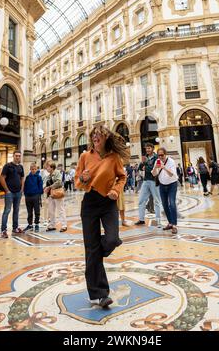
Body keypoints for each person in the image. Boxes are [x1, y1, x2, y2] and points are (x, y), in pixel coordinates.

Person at [75, 125, 127, 308]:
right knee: (92, 249)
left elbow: (122, 177)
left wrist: (115, 190)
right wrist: (83, 178)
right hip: (89, 202)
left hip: (108, 202)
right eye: (94, 135)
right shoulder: (85, 156)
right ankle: (99, 294)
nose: (96, 137)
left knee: (112, 239)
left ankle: (98, 249)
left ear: (106, 137)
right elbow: (77, 182)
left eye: (99, 135)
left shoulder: (114, 157)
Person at [152, 147, 178, 235]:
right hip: (162, 185)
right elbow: (154, 174)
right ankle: (170, 223)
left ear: (165, 154)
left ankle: (174, 225)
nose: (160, 157)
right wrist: (155, 167)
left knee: (172, 203)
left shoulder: (171, 161)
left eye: (162, 155)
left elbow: (172, 174)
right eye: (158, 155)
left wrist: (164, 167)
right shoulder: (157, 161)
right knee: (164, 205)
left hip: (172, 184)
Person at [135, 143, 162, 227]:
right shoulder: (145, 157)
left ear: (153, 148)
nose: (147, 150)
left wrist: (146, 167)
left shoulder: (157, 157)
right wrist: (143, 163)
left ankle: (158, 220)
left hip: (154, 181)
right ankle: (141, 219)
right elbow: (140, 168)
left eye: (149, 148)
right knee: (141, 200)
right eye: (146, 148)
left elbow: (156, 168)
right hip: (146, 181)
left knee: (157, 201)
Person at [0, 150, 25, 238]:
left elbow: (22, 178)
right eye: (16, 156)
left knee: (16, 210)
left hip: (18, 192)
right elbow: (2, 178)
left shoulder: (21, 167)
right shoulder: (7, 166)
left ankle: (15, 228)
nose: (17, 157)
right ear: (13, 156)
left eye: (19, 156)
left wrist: (21, 190)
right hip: (9, 193)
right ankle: (3, 230)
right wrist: (7, 190)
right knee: (7, 211)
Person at [44, 162, 67, 232]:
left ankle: (64, 225)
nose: (46, 168)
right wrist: (45, 187)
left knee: (60, 210)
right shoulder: (48, 175)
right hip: (50, 195)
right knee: (51, 211)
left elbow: (59, 182)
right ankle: (52, 225)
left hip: (57, 193)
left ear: (51, 167)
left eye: (47, 167)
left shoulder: (57, 173)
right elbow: (46, 183)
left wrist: (49, 187)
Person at [23, 163, 43, 232]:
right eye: (32, 169)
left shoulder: (38, 177)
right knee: (29, 212)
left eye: (35, 169)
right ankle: (30, 224)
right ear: (30, 169)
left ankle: (37, 224)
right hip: (28, 197)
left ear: (36, 169)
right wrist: (25, 194)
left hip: (36, 196)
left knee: (37, 211)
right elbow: (25, 186)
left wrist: (38, 194)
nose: (33, 170)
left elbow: (41, 187)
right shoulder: (27, 177)